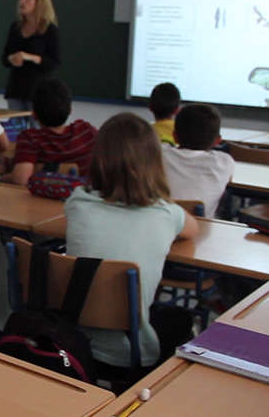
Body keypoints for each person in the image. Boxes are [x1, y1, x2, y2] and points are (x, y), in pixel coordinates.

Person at [65, 113, 198, 376]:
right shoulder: (166, 213)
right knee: (181, 318)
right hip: (131, 355)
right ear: (154, 161)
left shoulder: (77, 203)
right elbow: (192, 229)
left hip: (72, 344)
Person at [0, 79, 97, 186]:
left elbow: (21, 179)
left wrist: (0, 176)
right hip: (88, 195)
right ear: (70, 110)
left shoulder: (31, 139)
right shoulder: (86, 130)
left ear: (34, 115)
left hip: (46, 199)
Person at [162, 103, 234, 219]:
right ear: (218, 141)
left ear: (175, 136)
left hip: (161, 224)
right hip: (202, 231)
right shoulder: (224, 162)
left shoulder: (159, 154)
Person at [1, 0, 60, 111]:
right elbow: (4, 57)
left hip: (38, 90)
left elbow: (54, 62)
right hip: (15, 89)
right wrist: (12, 58)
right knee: (17, 129)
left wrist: (31, 57)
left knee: (36, 129)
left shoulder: (49, 29)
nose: (22, 1)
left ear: (39, 3)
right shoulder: (15, 27)